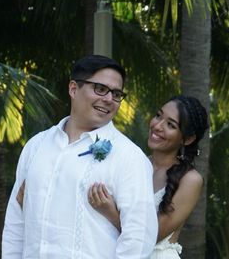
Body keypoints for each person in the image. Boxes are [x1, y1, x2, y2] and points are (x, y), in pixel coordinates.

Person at [2, 55, 158, 258]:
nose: (109, 99)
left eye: (117, 94)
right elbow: (16, 221)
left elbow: (139, 238)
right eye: (100, 89)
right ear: (73, 89)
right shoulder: (36, 146)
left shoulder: (129, 157)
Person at [87, 95, 209, 259]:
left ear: (187, 139)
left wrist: (110, 212)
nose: (157, 126)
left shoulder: (190, 180)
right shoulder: (135, 163)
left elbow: (151, 236)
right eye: (158, 116)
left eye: (170, 125)